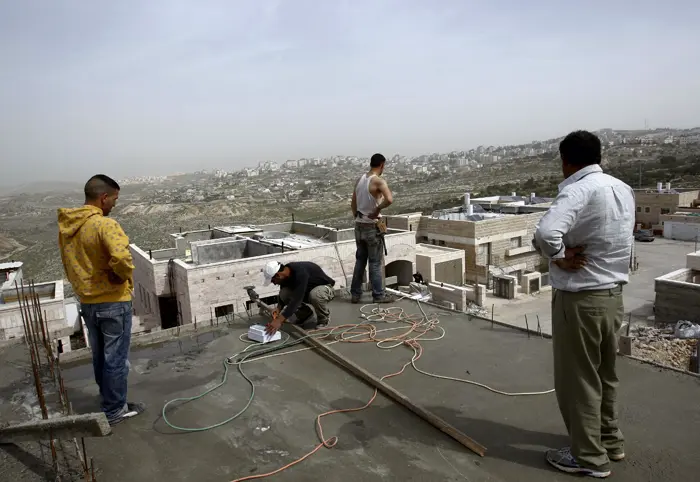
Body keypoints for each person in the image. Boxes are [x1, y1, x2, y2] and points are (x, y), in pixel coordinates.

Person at [533, 131, 634, 478]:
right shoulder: (622, 188)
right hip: (612, 297)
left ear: (565, 160)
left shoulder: (578, 189)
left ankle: (590, 458)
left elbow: (546, 233)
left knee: (578, 381)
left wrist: (559, 256)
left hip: (581, 299)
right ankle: (611, 442)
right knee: (605, 375)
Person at [58, 174, 145, 426]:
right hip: (113, 303)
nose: (114, 205)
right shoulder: (104, 225)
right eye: (114, 199)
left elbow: (69, 264)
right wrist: (121, 276)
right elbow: (123, 259)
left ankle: (109, 401)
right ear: (103, 197)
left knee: (100, 357)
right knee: (116, 359)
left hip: (87, 303)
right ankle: (115, 409)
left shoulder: (68, 228)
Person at [349, 153, 395, 304]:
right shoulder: (378, 181)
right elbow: (389, 199)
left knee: (360, 261)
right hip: (371, 227)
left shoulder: (360, 180)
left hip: (359, 226)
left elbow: (353, 202)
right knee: (375, 263)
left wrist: (357, 216)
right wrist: (376, 211)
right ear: (382, 165)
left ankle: (355, 294)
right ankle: (378, 295)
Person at [263, 260, 336, 335]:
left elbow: (296, 300)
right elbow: (284, 290)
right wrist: (278, 308)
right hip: (306, 291)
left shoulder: (300, 273)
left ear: (278, 275)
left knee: (315, 294)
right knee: (284, 293)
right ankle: (305, 314)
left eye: (273, 280)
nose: (274, 283)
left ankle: (323, 320)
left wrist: (279, 320)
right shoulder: (286, 273)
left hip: (324, 289)